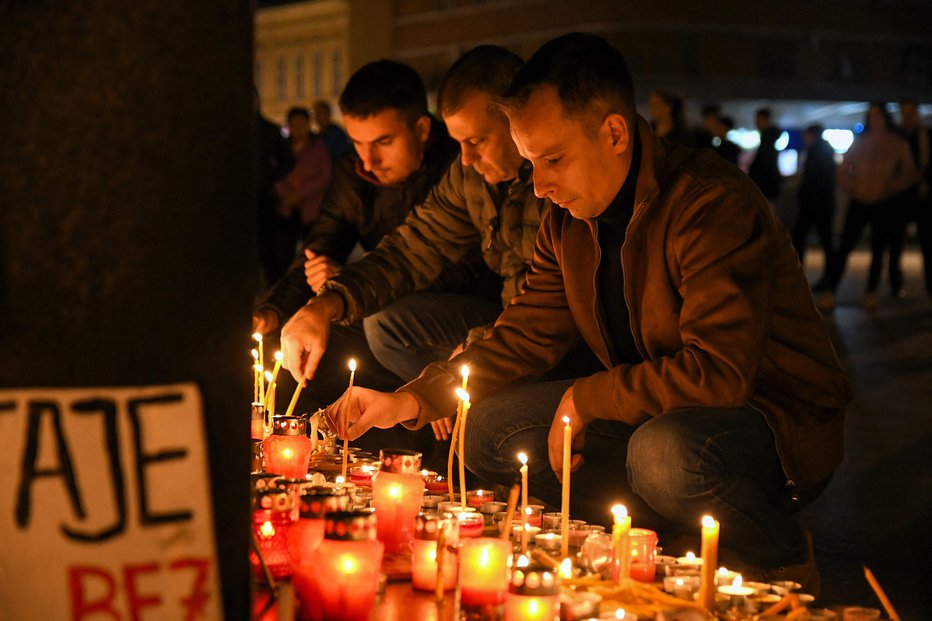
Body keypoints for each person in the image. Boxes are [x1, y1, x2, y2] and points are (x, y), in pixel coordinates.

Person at [325, 33, 851, 594]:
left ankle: (780, 556)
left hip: (772, 421)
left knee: (664, 455)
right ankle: (657, 538)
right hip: (658, 407)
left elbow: (720, 372)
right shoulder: (568, 220)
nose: (542, 186)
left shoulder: (708, 203)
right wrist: (412, 397)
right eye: (531, 163)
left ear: (615, 132)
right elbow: (525, 332)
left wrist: (588, 398)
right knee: (484, 427)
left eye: (553, 159)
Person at [280, 46, 556, 454]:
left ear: (519, 121)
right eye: (460, 141)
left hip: (545, 333)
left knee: (485, 431)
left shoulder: (555, 183)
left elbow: (548, 305)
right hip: (505, 321)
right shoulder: (469, 176)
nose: (466, 157)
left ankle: (460, 421)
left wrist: (457, 368)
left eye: (477, 140)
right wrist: (325, 304)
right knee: (378, 327)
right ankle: (447, 412)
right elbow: (411, 250)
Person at [254, 59, 477, 412]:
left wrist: (348, 285)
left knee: (382, 326)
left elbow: (470, 269)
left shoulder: (464, 163)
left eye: (383, 142)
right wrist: (272, 311)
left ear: (421, 129)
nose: (368, 160)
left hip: (447, 320)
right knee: (282, 354)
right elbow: (318, 249)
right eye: (357, 143)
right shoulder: (352, 174)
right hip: (374, 309)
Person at [817, 102, 916, 310]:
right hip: (860, 200)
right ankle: (831, 290)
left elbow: (908, 172)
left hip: (884, 202)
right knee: (845, 247)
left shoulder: (896, 143)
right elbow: (844, 170)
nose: (875, 120)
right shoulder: (861, 142)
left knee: (878, 248)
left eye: (879, 116)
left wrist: (890, 187)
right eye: (872, 116)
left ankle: (870, 291)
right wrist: (854, 187)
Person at [892, 98, 932, 296]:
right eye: (904, 111)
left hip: (922, 195)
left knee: (927, 242)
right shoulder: (896, 135)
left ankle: (930, 286)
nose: (907, 115)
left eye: (910, 111)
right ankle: (896, 284)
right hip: (900, 196)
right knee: (895, 243)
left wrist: (922, 175)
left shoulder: (925, 135)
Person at [256, 90, 295, 286]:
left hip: (263, 196)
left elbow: (288, 160)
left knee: (267, 247)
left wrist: (271, 177)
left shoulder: (269, 130)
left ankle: (273, 291)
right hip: (235, 198)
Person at [276, 107, 332, 244]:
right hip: (286, 207)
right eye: (295, 123)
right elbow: (275, 175)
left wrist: (301, 194)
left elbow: (324, 176)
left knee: (311, 248)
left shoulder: (318, 148)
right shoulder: (281, 148)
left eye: (302, 123)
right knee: (284, 250)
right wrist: (285, 194)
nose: (299, 127)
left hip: (311, 207)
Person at [791, 124, 837, 284]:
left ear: (812, 135)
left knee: (799, 235)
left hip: (813, 203)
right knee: (826, 240)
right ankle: (830, 276)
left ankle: (798, 272)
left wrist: (802, 195)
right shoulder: (826, 150)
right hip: (823, 202)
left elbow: (811, 179)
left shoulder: (815, 152)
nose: (805, 138)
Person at [749, 108, 783, 205]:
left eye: (758, 119)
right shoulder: (768, 139)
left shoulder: (767, 141)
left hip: (765, 189)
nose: (756, 123)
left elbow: (764, 166)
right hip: (768, 188)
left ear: (765, 119)